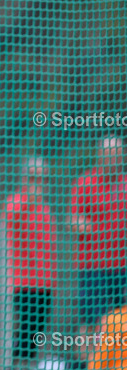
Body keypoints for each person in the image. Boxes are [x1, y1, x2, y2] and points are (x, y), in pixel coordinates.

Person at [0, 156, 55, 370]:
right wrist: (28, 200)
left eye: (41, 178)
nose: (38, 183)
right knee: (22, 332)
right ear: (25, 178)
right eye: (33, 177)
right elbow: (12, 221)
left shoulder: (45, 208)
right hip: (24, 283)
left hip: (45, 283)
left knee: (36, 334)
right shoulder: (16, 203)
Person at [71, 136, 127, 335]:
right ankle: (87, 366)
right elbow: (73, 219)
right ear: (100, 156)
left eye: (117, 156)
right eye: (109, 155)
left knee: (122, 322)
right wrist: (93, 229)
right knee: (91, 323)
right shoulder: (85, 182)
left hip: (122, 267)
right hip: (94, 267)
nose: (113, 160)